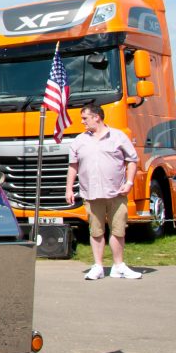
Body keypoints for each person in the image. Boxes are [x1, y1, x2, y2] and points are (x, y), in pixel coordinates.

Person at [66, 105, 141, 280]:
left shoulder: (118, 136)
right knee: (96, 230)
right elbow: (73, 166)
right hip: (90, 193)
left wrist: (129, 182)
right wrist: (69, 188)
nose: (82, 122)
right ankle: (98, 266)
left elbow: (132, 160)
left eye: (85, 118)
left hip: (116, 192)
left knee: (118, 230)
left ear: (97, 117)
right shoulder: (79, 140)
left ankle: (118, 266)